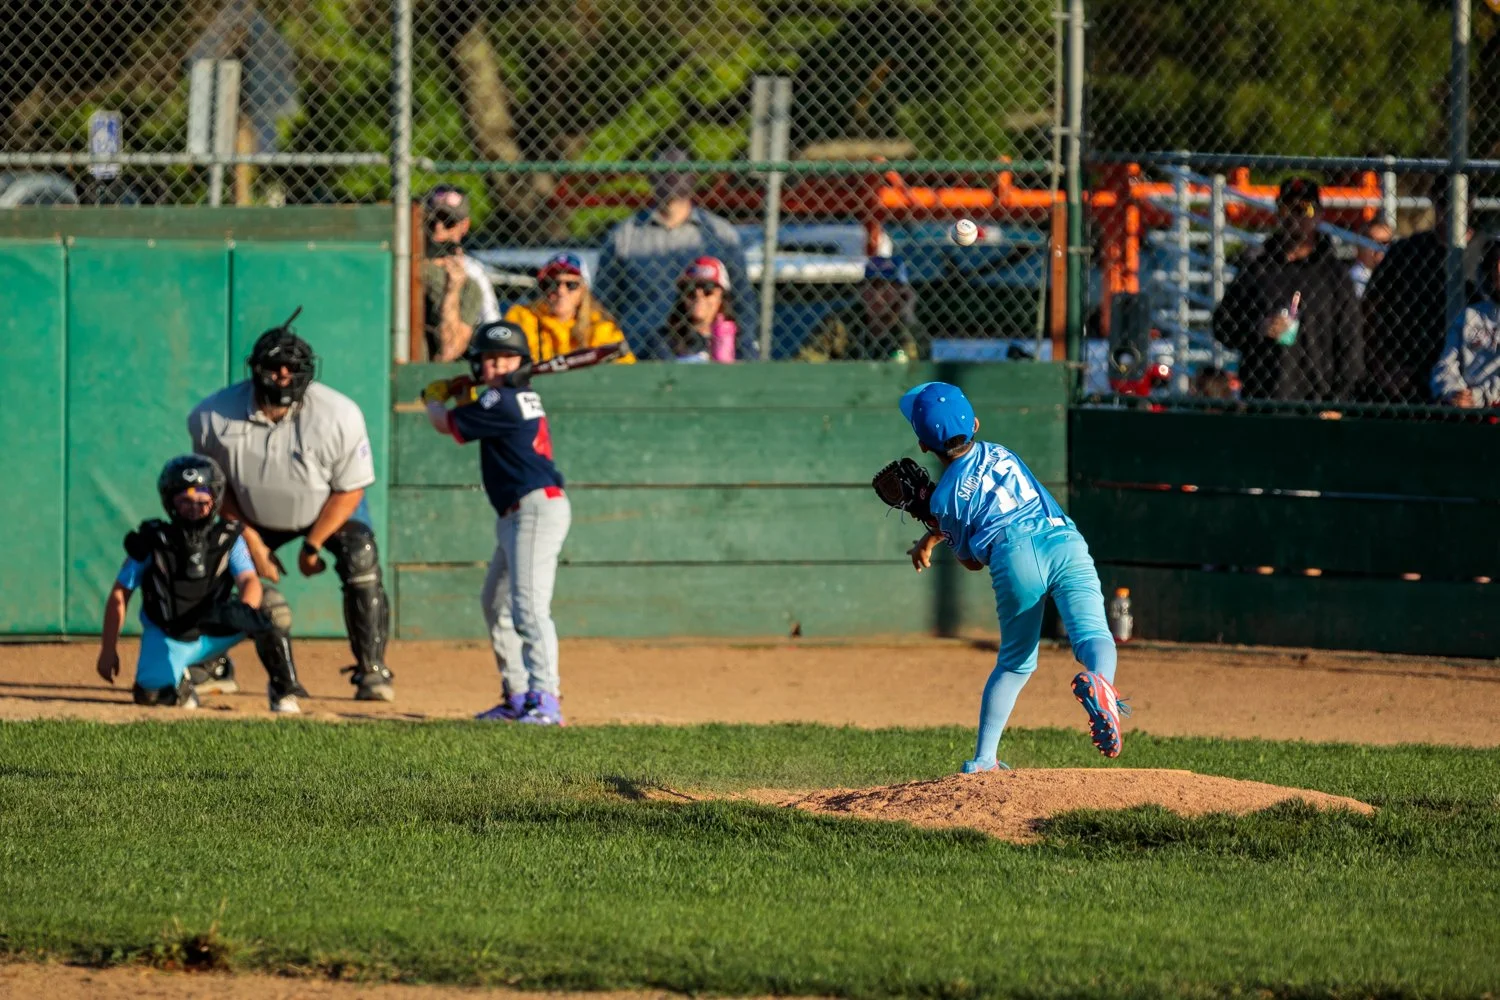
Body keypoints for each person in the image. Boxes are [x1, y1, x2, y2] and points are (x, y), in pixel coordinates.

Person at [899, 382, 1126, 771]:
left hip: (1015, 555)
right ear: (976, 424)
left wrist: (933, 519)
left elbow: (972, 559)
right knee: (1093, 635)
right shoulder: (1000, 451)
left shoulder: (944, 499)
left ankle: (984, 759)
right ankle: (1101, 682)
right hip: (1063, 539)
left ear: (923, 447)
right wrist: (932, 533)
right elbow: (987, 495)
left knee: (1016, 663)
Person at [188, 313, 395, 702]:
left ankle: (372, 669)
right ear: (255, 370)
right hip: (249, 514)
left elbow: (350, 491)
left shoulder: (339, 414)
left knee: (360, 553)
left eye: (293, 368)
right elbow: (214, 490)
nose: (283, 376)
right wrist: (250, 542)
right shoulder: (212, 416)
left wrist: (313, 545)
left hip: (325, 512)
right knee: (205, 557)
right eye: (273, 367)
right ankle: (211, 662)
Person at [421, 320, 572, 725]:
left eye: (506, 358)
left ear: (521, 362)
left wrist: (434, 398)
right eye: (489, 359)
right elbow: (483, 401)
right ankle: (518, 696)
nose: (498, 365)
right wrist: (468, 391)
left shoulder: (503, 400)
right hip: (518, 514)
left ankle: (546, 698)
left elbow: (445, 423)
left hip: (535, 509)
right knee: (495, 603)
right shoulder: (511, 395)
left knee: (529, 608)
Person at [96, 455, 306, 712]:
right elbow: (121, 592)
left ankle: (282, 689)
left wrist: (244, 607)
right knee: (152, 697)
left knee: (272, 606)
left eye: (202, 500)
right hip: (169, 633)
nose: (193, 507)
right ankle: (188, 678)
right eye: (184, 501)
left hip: (213, 626)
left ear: (215, 500)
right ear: (169, 500)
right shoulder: (151, 541)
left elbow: (249, 579)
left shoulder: (228, 538)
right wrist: (108, 649)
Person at [594, 147, 757, 359]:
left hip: (704, 356)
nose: (671, 177)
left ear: (693, 177)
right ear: (651, 177)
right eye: (663, 171)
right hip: (637, 357)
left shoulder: (719, 235)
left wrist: (741, 350)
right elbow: (602, 305)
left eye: (680, 170)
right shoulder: (624, 238)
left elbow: (742, 300)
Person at [1211, 177, 1363, 402]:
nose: (1295, 216)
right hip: (1264, 399)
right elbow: (1222, 325)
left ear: (1319, 214)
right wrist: (1258, 327)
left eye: (1305, 208)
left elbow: (1351, 345)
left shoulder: (1335, 275)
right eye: (1287, 208)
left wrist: (1338, 403)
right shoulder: (1257, 267)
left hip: (1317, 403)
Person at [1363, 188, 1478, 404]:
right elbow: (1369, 311)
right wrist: (1382, 369)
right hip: (1410, 379)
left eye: (1461, 202)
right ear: (1435, 203)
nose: (1452, 210)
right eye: (1445, 202)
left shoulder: (1487, 254)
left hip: (1471, 382)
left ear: (1471, 205)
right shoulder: (1407, 251)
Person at [503, 252, 635, 366]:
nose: (561, 291)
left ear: (583, 290)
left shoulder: (601, 328)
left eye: (570, 285)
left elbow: (622, 372)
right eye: (552, 284)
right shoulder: (522, 318)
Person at [421, 185, 501, 362]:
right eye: (430, 220)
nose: (438, 228)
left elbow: (492, 325)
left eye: (447, 220)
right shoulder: (406, 262)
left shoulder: (472, 273)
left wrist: (453, 289)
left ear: (464, 226)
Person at [797, 256, 924, 362]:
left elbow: (919, 365)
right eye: (870, 286)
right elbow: (807, 360)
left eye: (885, 287)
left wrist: (908, 318)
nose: (876, 296)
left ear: (901, 292)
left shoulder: (915, 328)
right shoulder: (840, 324)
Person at [1432, 238, 1500, 408]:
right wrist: (1453, 392)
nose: (1499, 270)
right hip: (1464, 407)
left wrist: (1480, 396)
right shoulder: (1471, 314)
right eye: (1495, 263)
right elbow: (1446, 364)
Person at [661, 257, 738, 363]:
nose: (699, 295)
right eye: (690, 289)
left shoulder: (739, 339)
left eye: (707, 289)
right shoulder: (665, 340)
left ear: (721, 296)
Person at [1348, 220, 1392, 300]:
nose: (1379, 249)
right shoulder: (1352, 278)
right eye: (1374, 243)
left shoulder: (1395, 273)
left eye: (1385, 242)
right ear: (1360, 246)